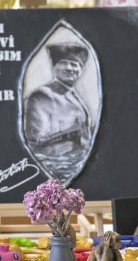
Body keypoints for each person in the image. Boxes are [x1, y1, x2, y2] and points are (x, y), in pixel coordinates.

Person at [22, 42, 94, 180]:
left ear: (81, 70)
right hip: (55, 168)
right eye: (63, 63)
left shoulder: (76, 97)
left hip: (78, 168)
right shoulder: (42, 96)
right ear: (54, 67)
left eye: (74, 64)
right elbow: (35, 140)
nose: (69, 68)